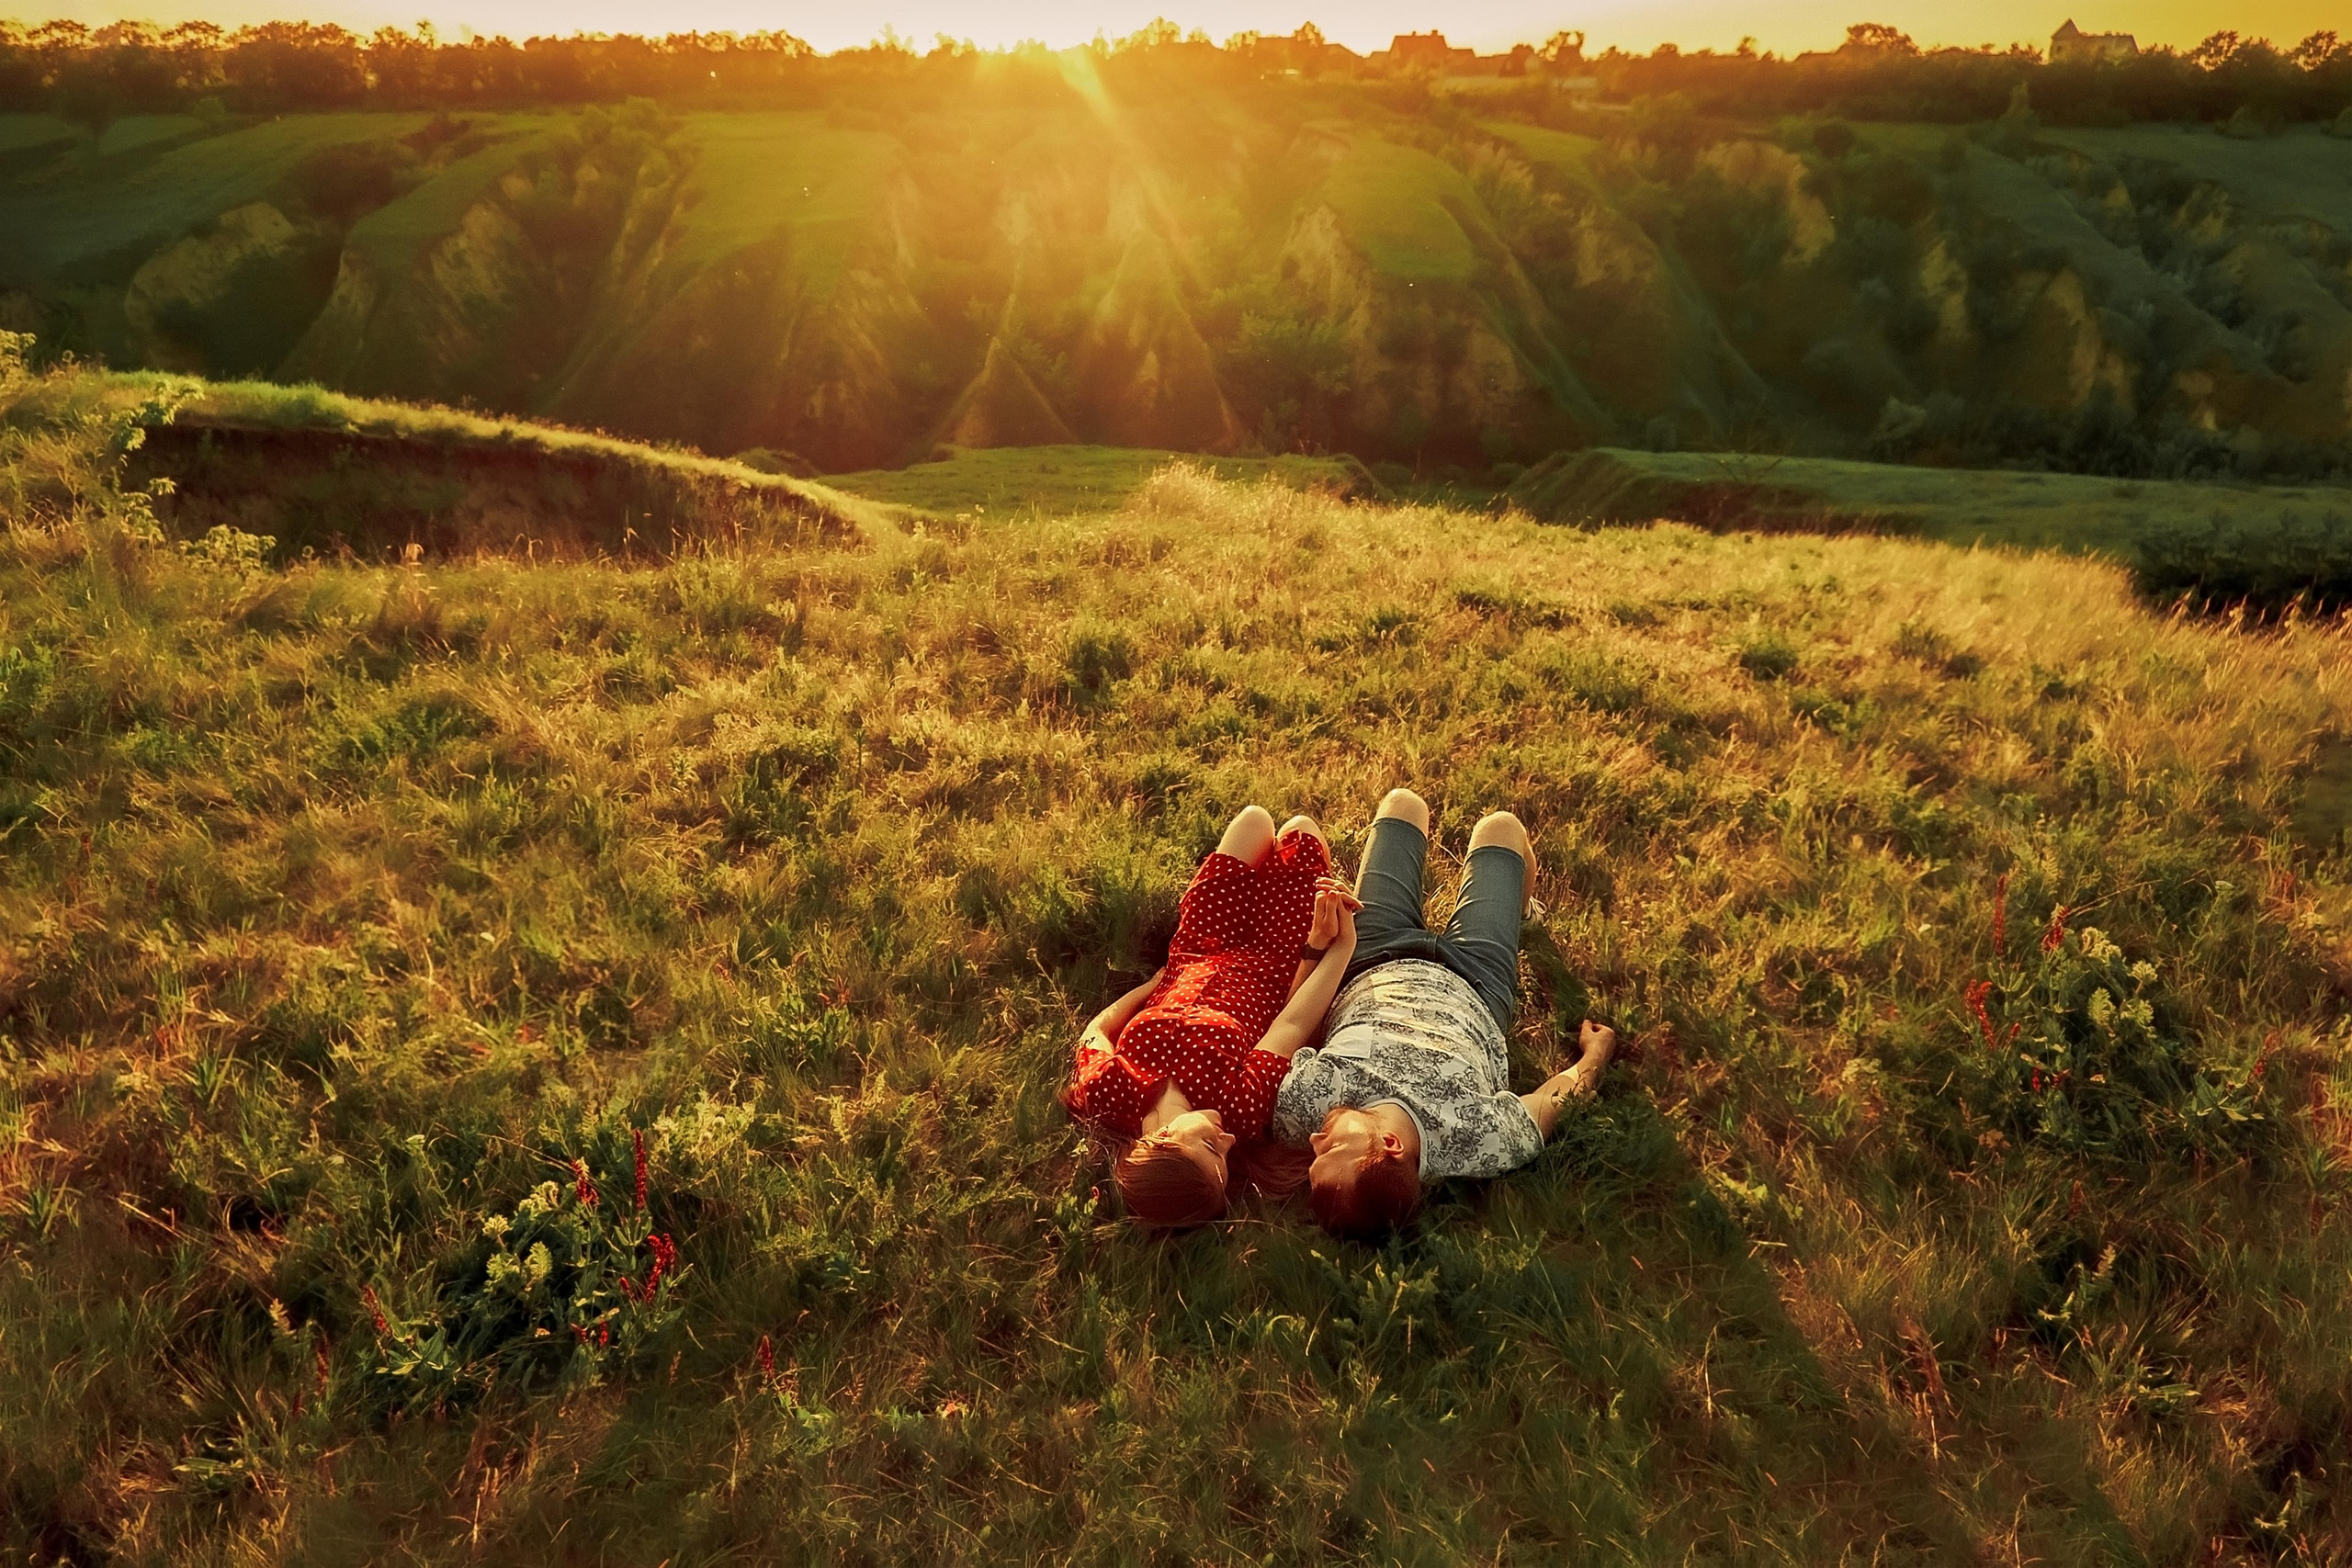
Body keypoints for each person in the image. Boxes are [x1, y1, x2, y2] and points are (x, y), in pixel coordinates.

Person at [1272, 788, 1616, 1240]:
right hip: (1477, 981)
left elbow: (1298, 1021)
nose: (1315, 1140)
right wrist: (1597, 1054)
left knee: (1402, 805)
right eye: (1331, 1149)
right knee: (1501, 828)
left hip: (1370, 956)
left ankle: (1501, 902)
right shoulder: (1476, 1141)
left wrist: (1320, 950)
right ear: (1391, 1145)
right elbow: (1552, 1101)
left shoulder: (1307, 1106)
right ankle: (1522, 915)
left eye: (1314, 1156)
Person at [1064, 805, 1363, 1228]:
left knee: (1254, 820)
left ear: (1162, 1140)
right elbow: (1291, 1024)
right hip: (1275, 960)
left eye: (1210, 1148)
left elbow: (1095, 1030)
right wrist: (1332, 949)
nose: (1227, 1140)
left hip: (1199, 945)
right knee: (1301, 831)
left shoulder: (1108, 1092)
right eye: (1225, 1156)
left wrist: (1149, 988)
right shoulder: (1237, 1107)